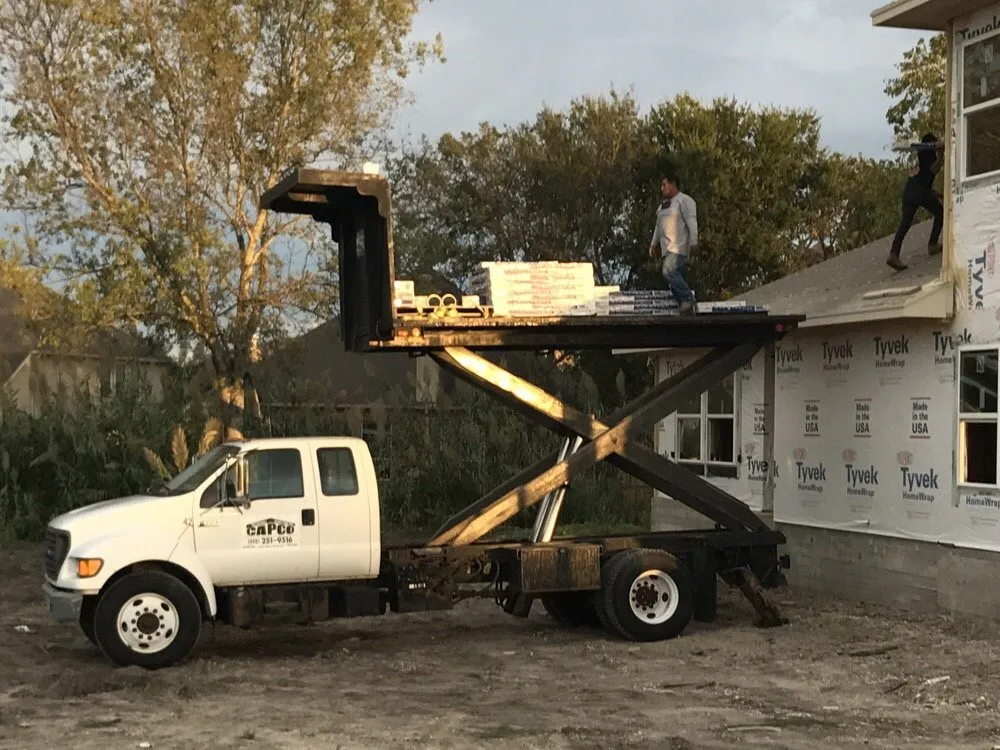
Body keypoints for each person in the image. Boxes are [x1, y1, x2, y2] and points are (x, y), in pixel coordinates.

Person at [887, 132, 944, 271]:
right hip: (919, 192)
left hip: (909, 192)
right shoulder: (927, 154)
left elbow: (923, 180)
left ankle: (893, 254)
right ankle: (932, 244)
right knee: (940, 212)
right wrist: (941, 154)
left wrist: (936, 194)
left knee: (905, 224)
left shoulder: (919, 155)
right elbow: (933, 169)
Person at [648, 171, 698, 314]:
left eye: (664, 185)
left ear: (673, 184)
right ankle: (685, 307)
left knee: (668, 271)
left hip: (679, 247)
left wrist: (694, 242)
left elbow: (692, 222)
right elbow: (658, 226)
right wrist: (653, 244)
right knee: (673, 281)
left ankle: (688, 298)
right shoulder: (663, 205)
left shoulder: (685, 201)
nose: (661, 188)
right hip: (667, 248)